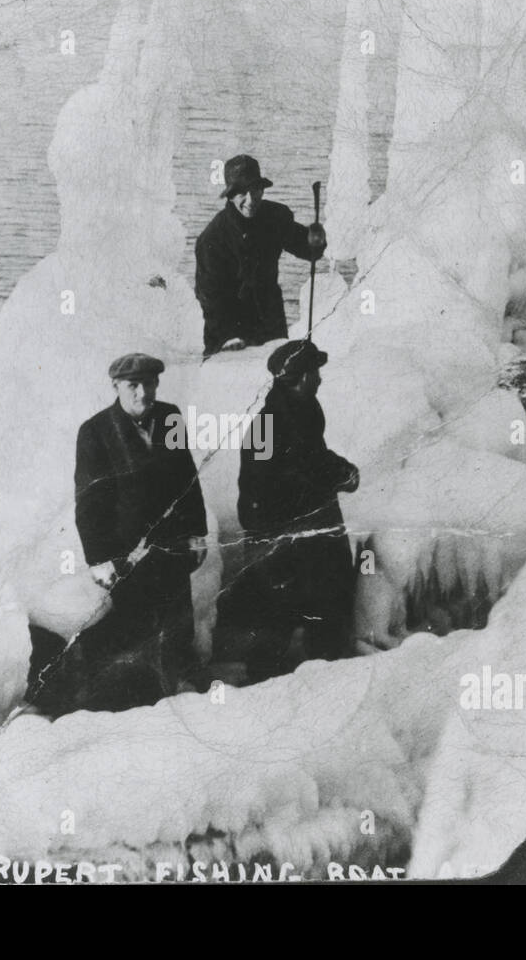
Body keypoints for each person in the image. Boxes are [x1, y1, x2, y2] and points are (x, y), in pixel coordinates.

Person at [73, 353, 208, 711]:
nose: (143, 393)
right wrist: (98, 558)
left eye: (149, 383)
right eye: (133, 385)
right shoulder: (95, 431)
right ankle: (138, 704)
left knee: (177, 623)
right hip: (128, 552)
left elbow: (187, 479)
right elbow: (89, 503)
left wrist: (197, 533)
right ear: (116, 387)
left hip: (173, 544)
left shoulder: (170, 416)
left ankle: (181, 690)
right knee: (135, 630)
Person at [219, 339, 360, 681]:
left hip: (315, 535)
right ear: (300, 377)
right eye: (315, 372)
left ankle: (325, 677)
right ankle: (262, 690)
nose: (320, 379)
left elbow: (315, 457)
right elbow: (255, 491)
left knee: (326, 610)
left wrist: (342, 471)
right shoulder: (266, 426)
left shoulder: (306, 408)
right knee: (274, 619)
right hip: (282, 540)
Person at [194, 154, 327, 358]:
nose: (250, 199)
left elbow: (307, 248)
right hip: (227, 336)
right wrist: (228, 337)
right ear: (230, 195)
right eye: (241, 193)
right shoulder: (212, 239)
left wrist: (316, 239)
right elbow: (210, 298)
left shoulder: (275, 217)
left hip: (270, 327)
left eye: (255, 190)